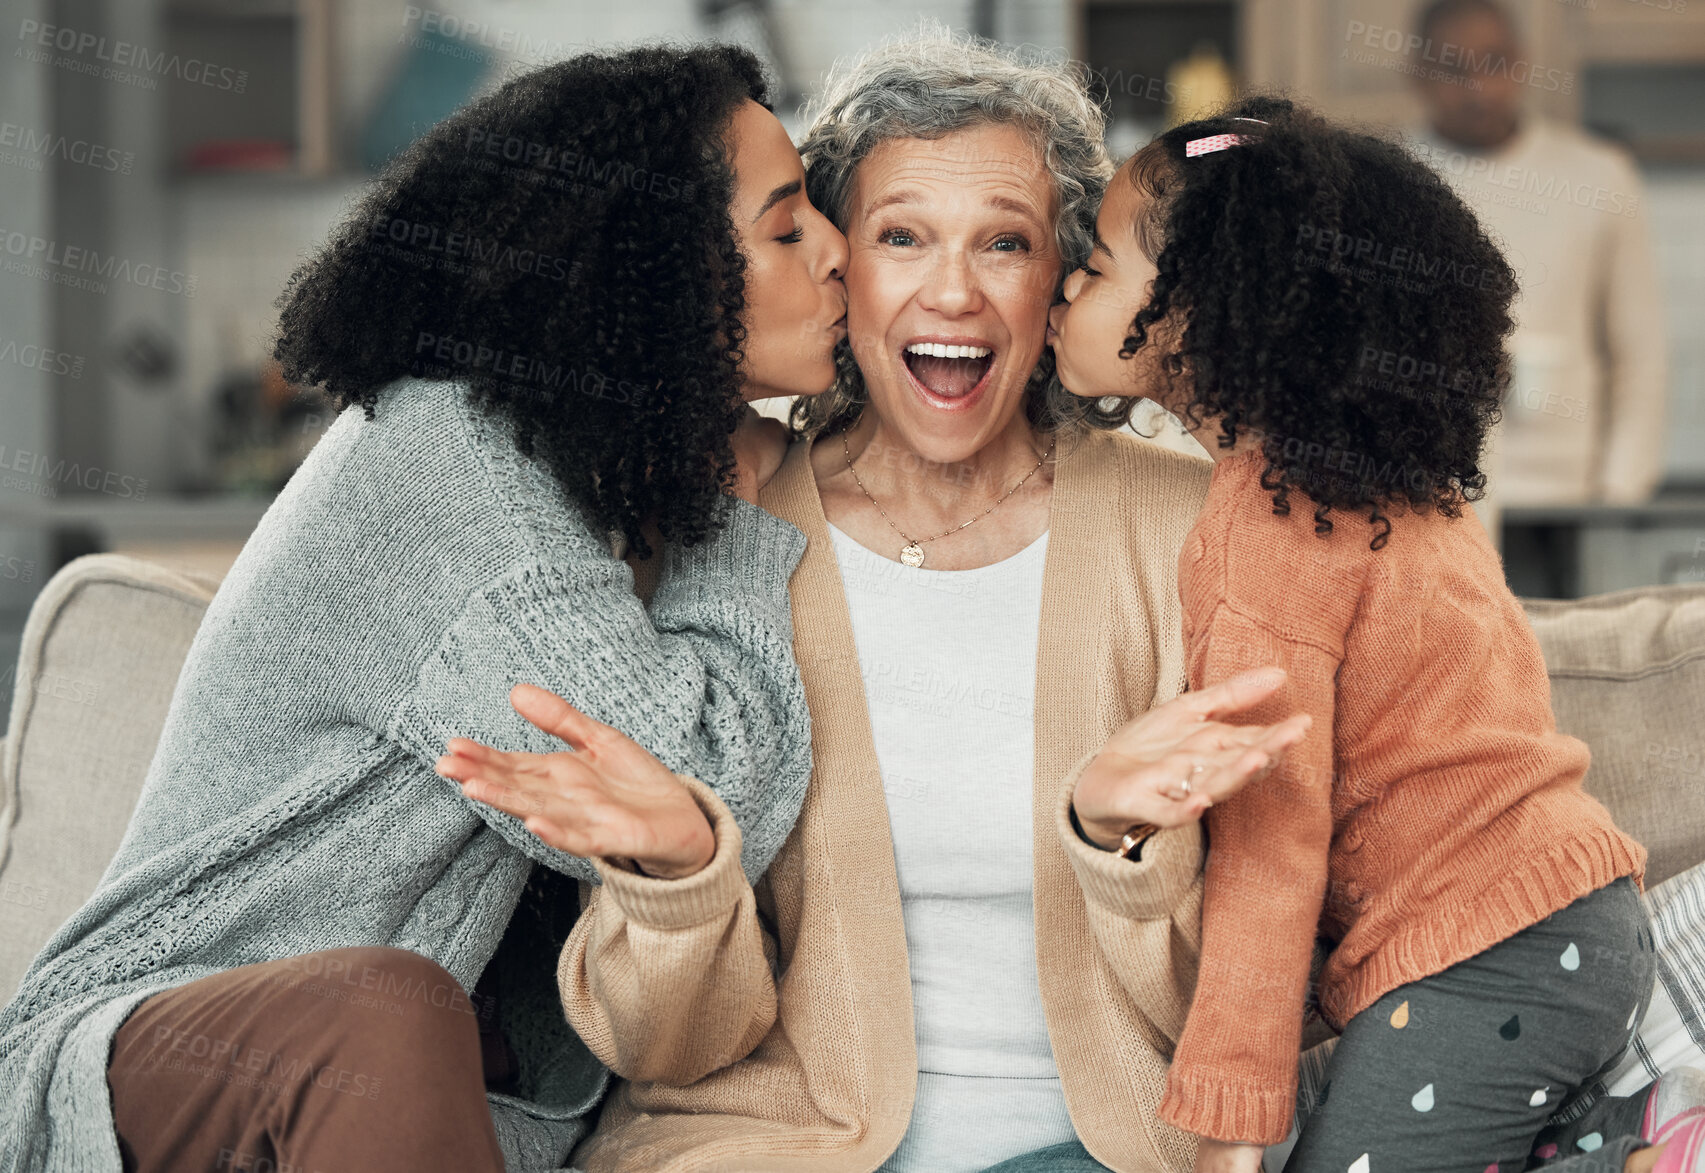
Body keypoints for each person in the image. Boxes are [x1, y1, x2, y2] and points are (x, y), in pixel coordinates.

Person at [441, 30, 1311, 1173]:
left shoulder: (1194, 531)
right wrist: (676, 878)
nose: (953, 291)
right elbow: (661, 1047)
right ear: (840, 270)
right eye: (902, 237)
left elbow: (1263, 980)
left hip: (1101, 1149)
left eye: (1005, 241)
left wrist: (1123, 848)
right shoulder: (725, 531)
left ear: (1063, 280)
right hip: (763, 1150)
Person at [0, 43, 848, 1173]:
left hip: (379, 1099)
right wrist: (732, 516)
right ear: (645, 272)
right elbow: (702, 794)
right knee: (386, 1006)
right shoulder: (455, 465)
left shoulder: (581, 472)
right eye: (788, 229)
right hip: (138, 1070)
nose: (836, 252)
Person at [1048, 95, 1701, 1173]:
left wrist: (1230, 1115)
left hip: (1484, 958)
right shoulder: (1395, 490)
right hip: (1576, 927)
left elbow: (1270, 840)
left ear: (1199, 317)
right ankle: (1631, 1147)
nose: (1070, 282)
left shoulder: (1261, 534)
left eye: (1102, 263)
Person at [1405, 0, 1668, 543]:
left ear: (1521, 64)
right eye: (1454, 67)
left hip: (1567, 502)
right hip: (1427, 505)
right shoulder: (1386, 180)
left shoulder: (1599, 176)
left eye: (1494, 62)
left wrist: (1620, 496)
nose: (1478, 84)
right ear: (1417, 74)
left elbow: (1640, 350)